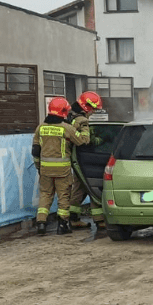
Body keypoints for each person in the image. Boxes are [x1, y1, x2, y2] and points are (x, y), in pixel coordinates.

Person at [32, 97, 88, 235]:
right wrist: (85, 128)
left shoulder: (40, 128)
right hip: (62, 170)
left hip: (45, 169)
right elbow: (83, 141)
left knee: (45, 195)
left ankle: (41, 223)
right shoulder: (66, 128)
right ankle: (63, 225)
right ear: (63, 112)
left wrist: (39, 167)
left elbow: (35, 150)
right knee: (63, 196)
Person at [65, 91, 102, 232]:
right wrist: (96, 140)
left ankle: (73, 218)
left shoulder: (69, 115)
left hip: (74, 158)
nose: (93, 112)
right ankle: (100, 220)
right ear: (87, 106)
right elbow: (84, 140)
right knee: (92, 186)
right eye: (93, 109)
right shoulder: (81, 120)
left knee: (79, 188)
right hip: (81, 158)